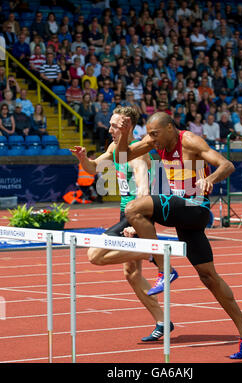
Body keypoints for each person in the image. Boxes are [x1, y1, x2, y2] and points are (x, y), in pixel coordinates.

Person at [113, 111, 242, 359]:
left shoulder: (188, 140)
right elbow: (120, 156)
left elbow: (227, 164)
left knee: (134, 208)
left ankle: (164, 269)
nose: (152, 140)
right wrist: (126, 134)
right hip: (183, 215)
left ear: (170, 128)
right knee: (208, 276)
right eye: (149, 135)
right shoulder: (153, 141)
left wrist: (210, 178)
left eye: (156, 134)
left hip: (196, 209)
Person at [70, 106, 177, 341]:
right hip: (125, 213)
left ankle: (150, 255)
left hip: (137, 214)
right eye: (110, 124)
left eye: (115, 125)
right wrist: (83, 159)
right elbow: (93, 168)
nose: (109, 129)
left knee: (95, 255)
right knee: (131, 274)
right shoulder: (113, 148)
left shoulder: (138, 153)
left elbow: (143, 189)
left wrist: (135, 223)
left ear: (127, 126)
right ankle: (162, 321)